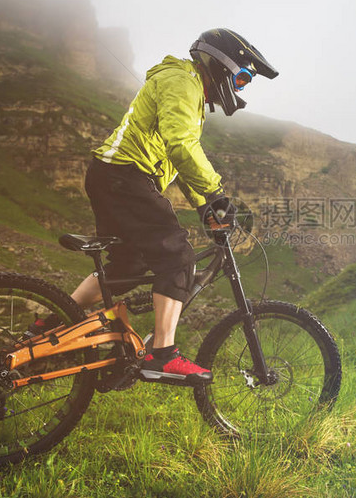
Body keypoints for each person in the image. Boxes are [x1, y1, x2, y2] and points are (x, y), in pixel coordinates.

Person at [25, 28, 278, 385]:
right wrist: (217, 192)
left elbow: (179, 159)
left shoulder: (186, 86)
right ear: (221, 64)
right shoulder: (182, 81)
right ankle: (163, 355)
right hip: (124, 176)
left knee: (130, 263)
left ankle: (54, 320)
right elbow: (181, 146)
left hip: (114, 177)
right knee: (177, 256)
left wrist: (206, 206)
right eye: (241, 77)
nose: (239, 89)